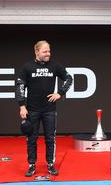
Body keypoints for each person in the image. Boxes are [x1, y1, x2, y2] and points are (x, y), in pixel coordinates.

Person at [17, 40, 72, 177]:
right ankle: (31, 165)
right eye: (45, 51)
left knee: (50, 138)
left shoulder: (54, 66)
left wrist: (60, 93)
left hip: (49, 109)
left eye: (49, 51)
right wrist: (22, 106)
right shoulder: (27, 67)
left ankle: (50, 165)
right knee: (31, 138)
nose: (48, 54)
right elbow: (20, 87)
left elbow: (69, 78)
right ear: (36, 52)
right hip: (32, 109)